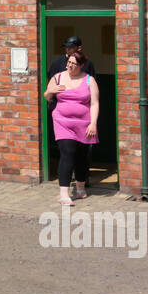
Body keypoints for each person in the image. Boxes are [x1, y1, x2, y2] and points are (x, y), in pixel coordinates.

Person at [44, 52, 99, 206]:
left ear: (81, 65)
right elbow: (46, 96)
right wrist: (51, 92)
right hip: (62, 122)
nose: (70, 66)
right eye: (69, 62)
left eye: (74, 64)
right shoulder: (58, 77)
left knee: (81, 155)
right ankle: (64, 193)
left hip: (84, 123)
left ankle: (80, 186)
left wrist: (93, 123)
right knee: (67, 152)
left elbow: (94, 103)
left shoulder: (89, 80)